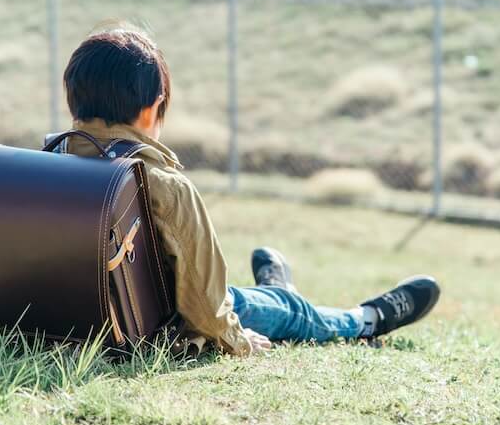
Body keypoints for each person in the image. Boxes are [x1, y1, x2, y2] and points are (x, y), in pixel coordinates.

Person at [61, 28, 440, 355]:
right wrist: (238, 341)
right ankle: (367, 319)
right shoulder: (164, 185)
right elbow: (207, 307)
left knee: (271, 303)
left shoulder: (46, 168)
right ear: (152, 109)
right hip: (160, 328)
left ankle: (278, 290)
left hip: (68, 325)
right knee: (288, 311)